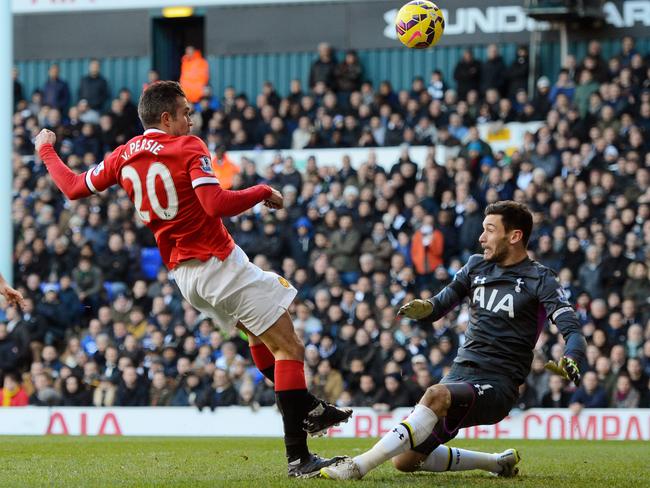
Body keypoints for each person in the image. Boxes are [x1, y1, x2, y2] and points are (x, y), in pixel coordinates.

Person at [34, 80, 350, 478]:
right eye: (185, 112)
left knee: (259, 337)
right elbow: (215, 203)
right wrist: (262, 190)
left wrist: (46, 149)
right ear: (165, 117)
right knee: (290, 349)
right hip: (218, 262)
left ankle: (307, 409)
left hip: (186, 278)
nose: (190, 119)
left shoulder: (123, 155)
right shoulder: (188, 146)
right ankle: (300, 455)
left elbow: (74, 186)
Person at [321, 201, 586, 480]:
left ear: (515, 236)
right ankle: (497, 463)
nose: (481, 238)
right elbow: (440, 304)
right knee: (405, 460)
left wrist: (573, 356)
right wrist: (426, 308)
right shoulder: (476, 266)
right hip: (460, 373)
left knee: (435, 394)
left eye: (489, 230)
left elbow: (571, 327)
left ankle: (357, 466)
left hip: (499, 383)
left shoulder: (541, 278)